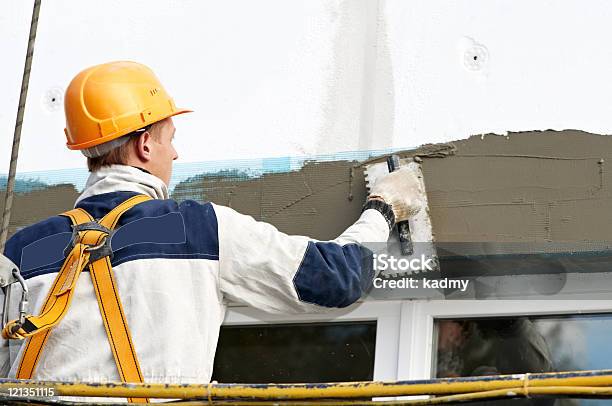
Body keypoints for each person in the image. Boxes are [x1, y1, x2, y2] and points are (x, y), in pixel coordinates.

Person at [0, 61, 422, 389]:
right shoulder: (198, 229)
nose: (175, 154)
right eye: (170, 138)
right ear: (145, 144)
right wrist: (383, 209)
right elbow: (336, 278)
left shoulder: (20, 251)